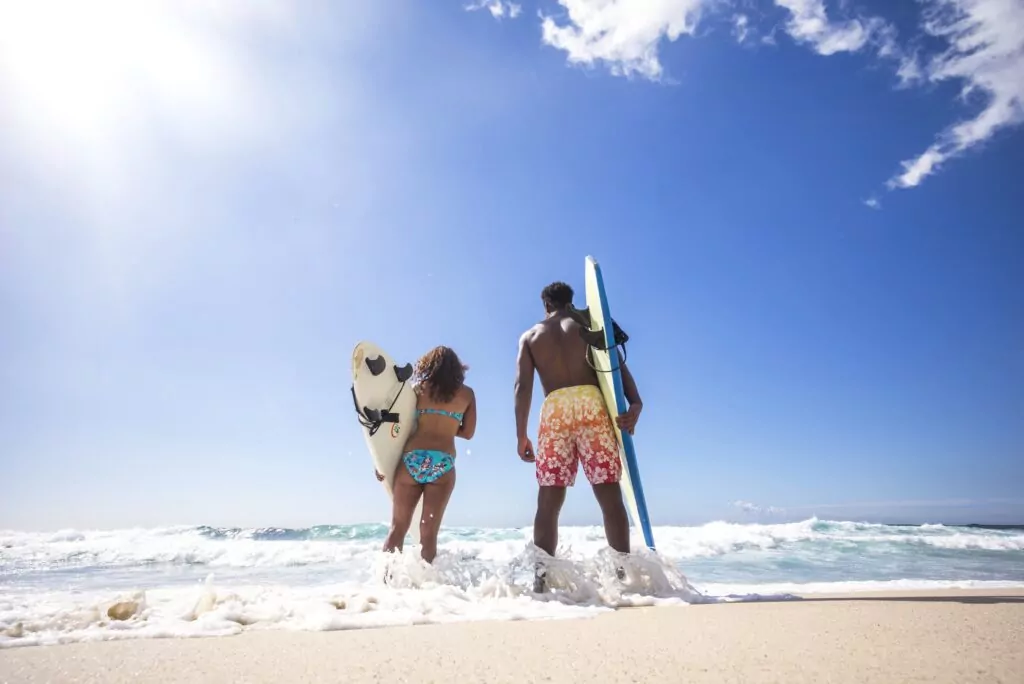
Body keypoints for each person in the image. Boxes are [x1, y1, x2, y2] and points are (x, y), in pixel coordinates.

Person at [514, 281, 642, 591]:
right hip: (591, 405)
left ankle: (540, 583)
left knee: (548, 499)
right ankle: (622, 578)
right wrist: (635, 402)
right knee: (609, 494)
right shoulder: (588, 324)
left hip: (555, 409)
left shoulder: (530, 336)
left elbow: (523, 386)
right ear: (571, 303)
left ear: (545, 306)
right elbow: (615, 364)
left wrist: (521, 435)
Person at [375, 345, 476, 564]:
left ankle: (384, 583)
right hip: (443, 464)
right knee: (428, 534)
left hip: (412, 459)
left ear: (429, 365)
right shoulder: (467, 394)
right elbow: (468, 433)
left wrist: (380, 462)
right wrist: (449, 426)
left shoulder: (417, 390)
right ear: (457, 369)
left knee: (397, 528)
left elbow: (398, 429)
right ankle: (428, 589)